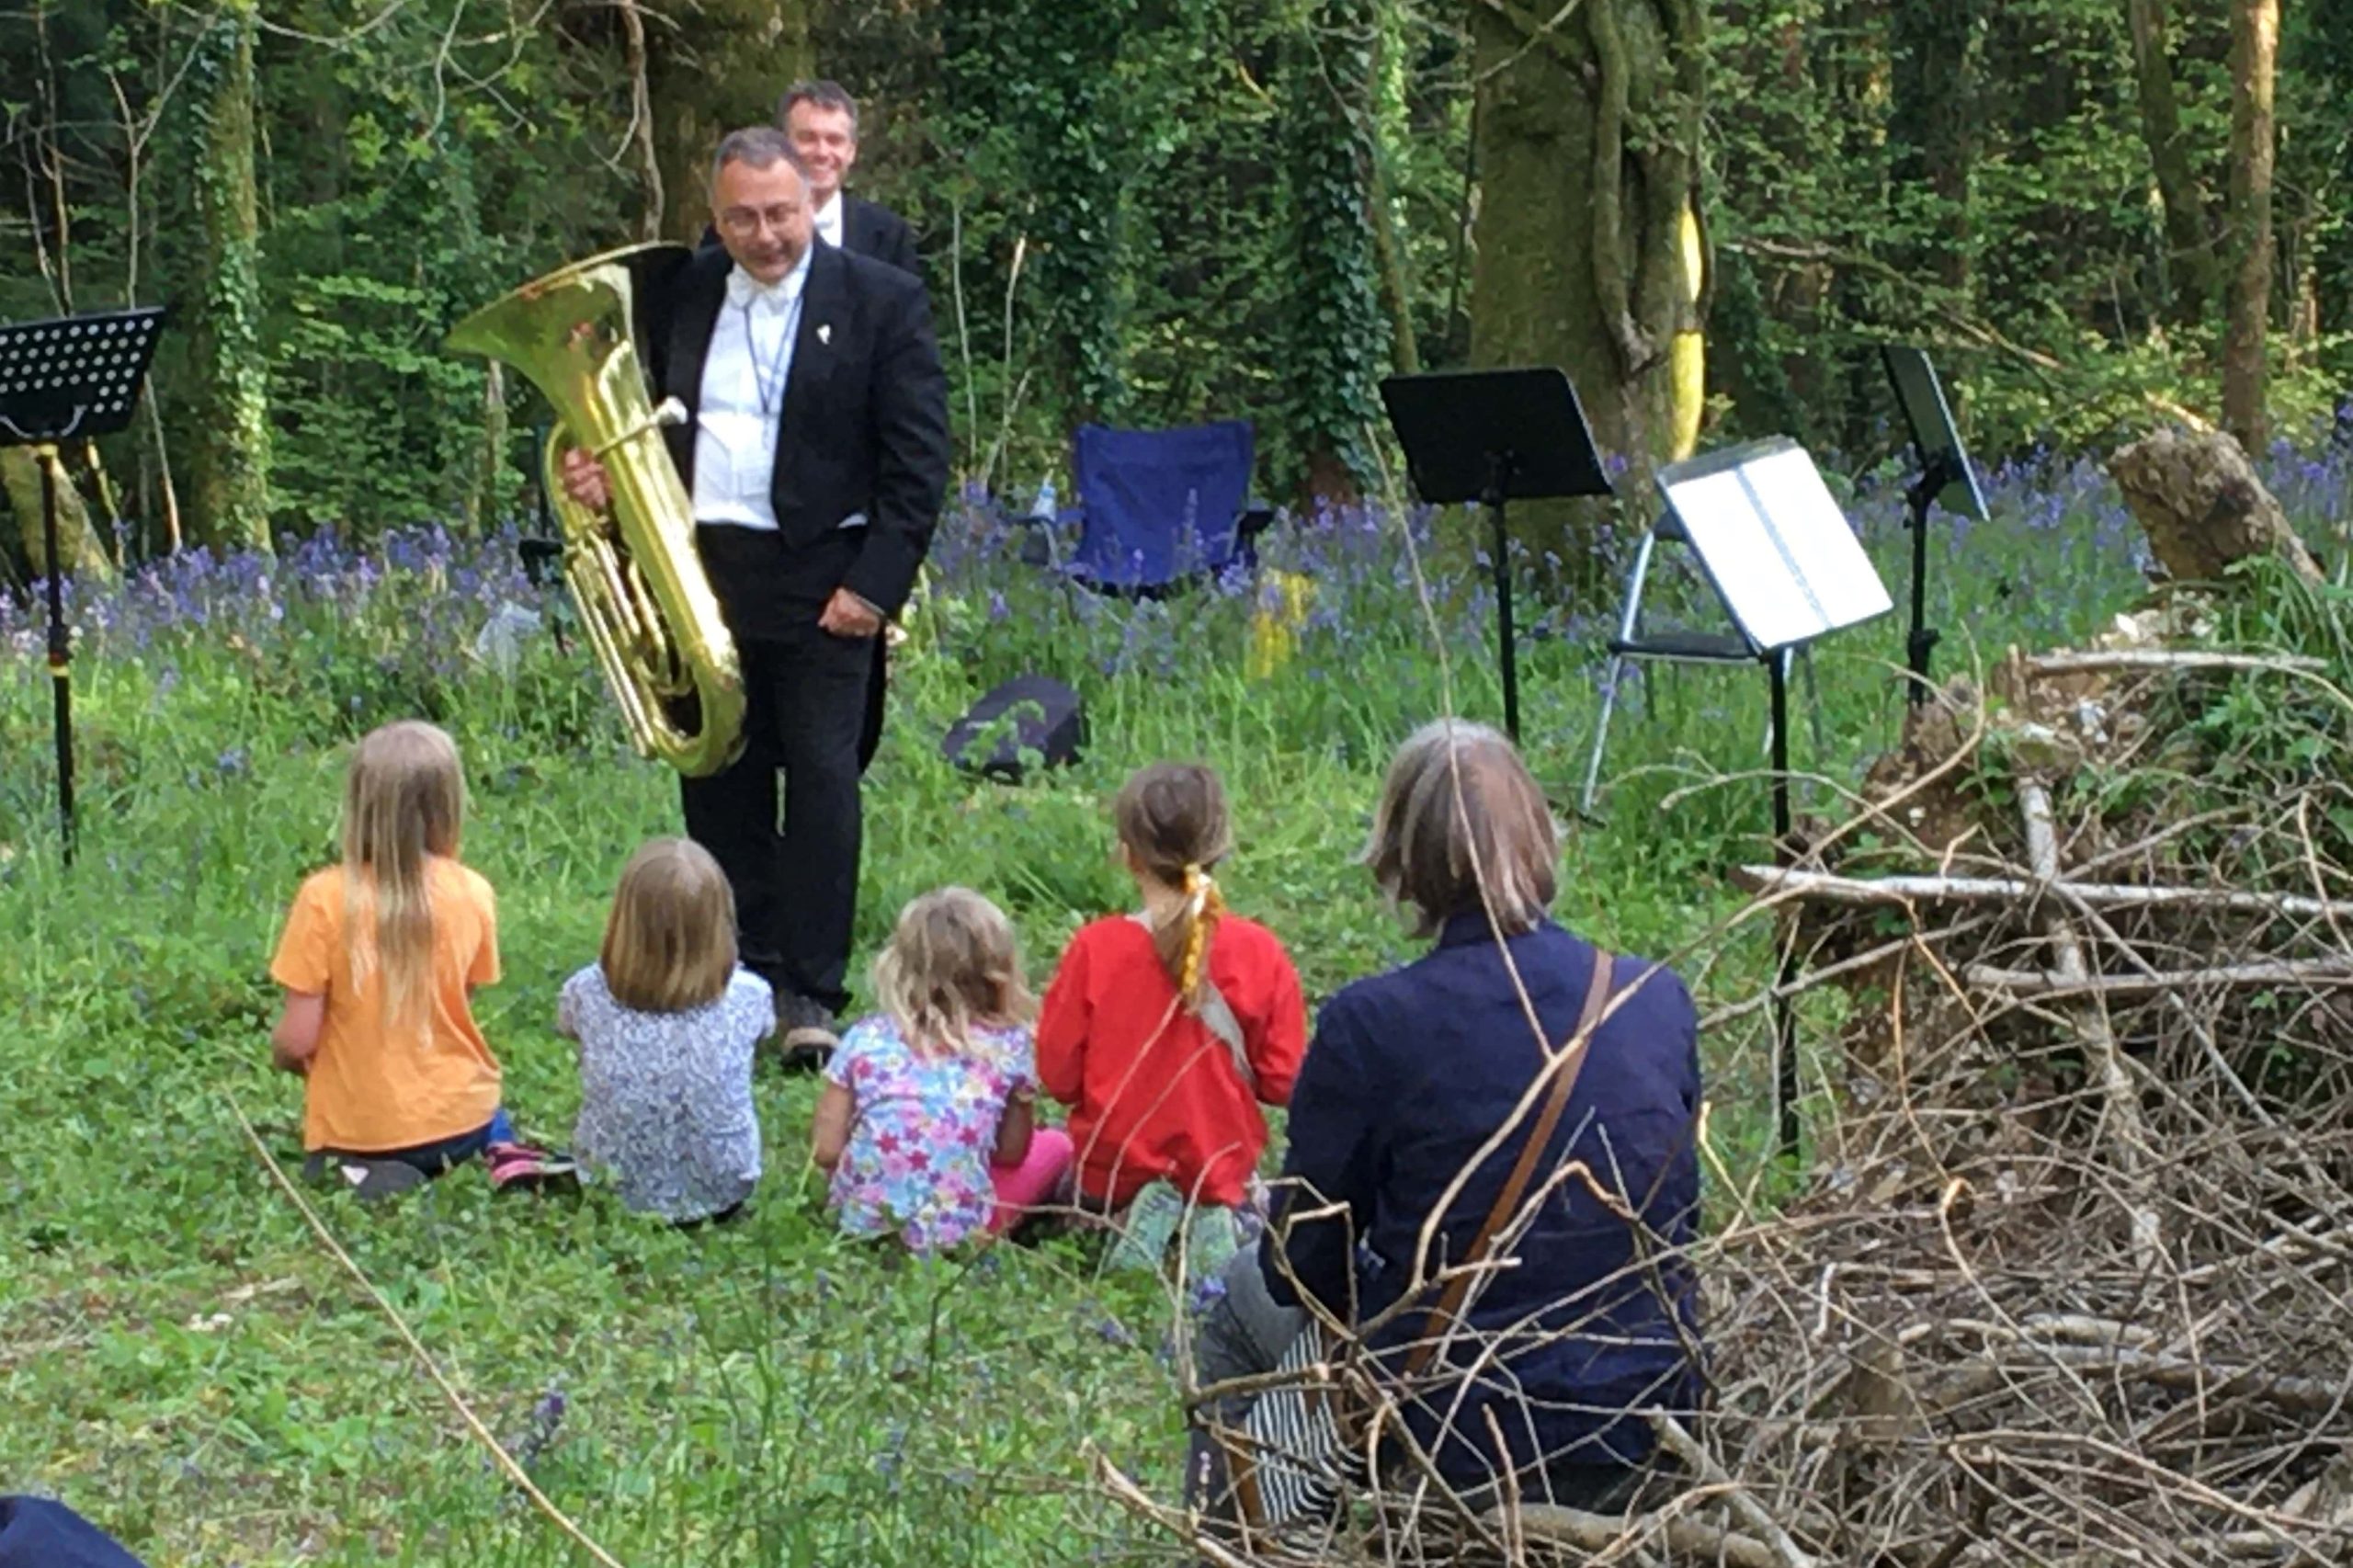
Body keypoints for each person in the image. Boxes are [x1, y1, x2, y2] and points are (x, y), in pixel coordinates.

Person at [1186, 721, 1704, 1528]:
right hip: (1645, 1414)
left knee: (1235, 1303)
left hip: (1456, 1429)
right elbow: (1676, 1229)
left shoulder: (1372, 1024)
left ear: (1401, 859)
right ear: (1541, 837)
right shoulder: (1654, 998)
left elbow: (1303, 1268)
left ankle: (1262, 1543)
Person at [561, 126, 951, 1063]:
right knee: (719, 775)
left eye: (782, 213)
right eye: (743, 216)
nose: (766, 234)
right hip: (703, 570)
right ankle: (740, 971)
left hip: (828, 576)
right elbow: (634, 425)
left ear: (812, 202)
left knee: (822, 778)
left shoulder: (882, 300)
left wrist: (875, 588)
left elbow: (919, 461)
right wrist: (598, 476)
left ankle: (810, 992)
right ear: (715, 216)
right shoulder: (680, 292)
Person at [267, 721, 571, 1198]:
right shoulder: (472, 891)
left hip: (361, 1130)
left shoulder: (323, 898)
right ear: (449, 805)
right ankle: (499, 1152)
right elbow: (461, 998)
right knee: (487, 1112)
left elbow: (298, 1038)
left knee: (332, 1164)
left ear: (359, 805)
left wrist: (284, 1057)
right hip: (461, 1118)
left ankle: (376, 1176)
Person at [1036, 763, 1307, 1254]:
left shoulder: (1095, 949)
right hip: (1221, 1171)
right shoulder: (1259, 952)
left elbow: (1057, 1077)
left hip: (1108, 1182)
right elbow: (1284, 1082)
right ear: (1220, 847)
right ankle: (1207, 1220)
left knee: (1054, 1170)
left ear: (1128, 854)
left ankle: (1131, 1221)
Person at [810, 888, 1074, 1253]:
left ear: (899, 965)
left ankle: (875, 1209)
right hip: (957, 1233)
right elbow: (1011, 1153)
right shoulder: (1009, 1047)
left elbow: (825, 1151)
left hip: (859, 1224)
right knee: (1056, 1145)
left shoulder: (865, 1036)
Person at [560, 838, 770, 1226]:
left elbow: (569, 1029)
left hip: (611, 1186)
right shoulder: (752, 995)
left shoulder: (586, 991)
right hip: (725, 1191)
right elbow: (763, 1034)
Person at [779, 79, 921, 280]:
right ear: (783, 144)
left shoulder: (889, 237)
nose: (822, 152)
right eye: (808, 138)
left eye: (834, 140)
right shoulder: (744, 229)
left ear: (851, 151)